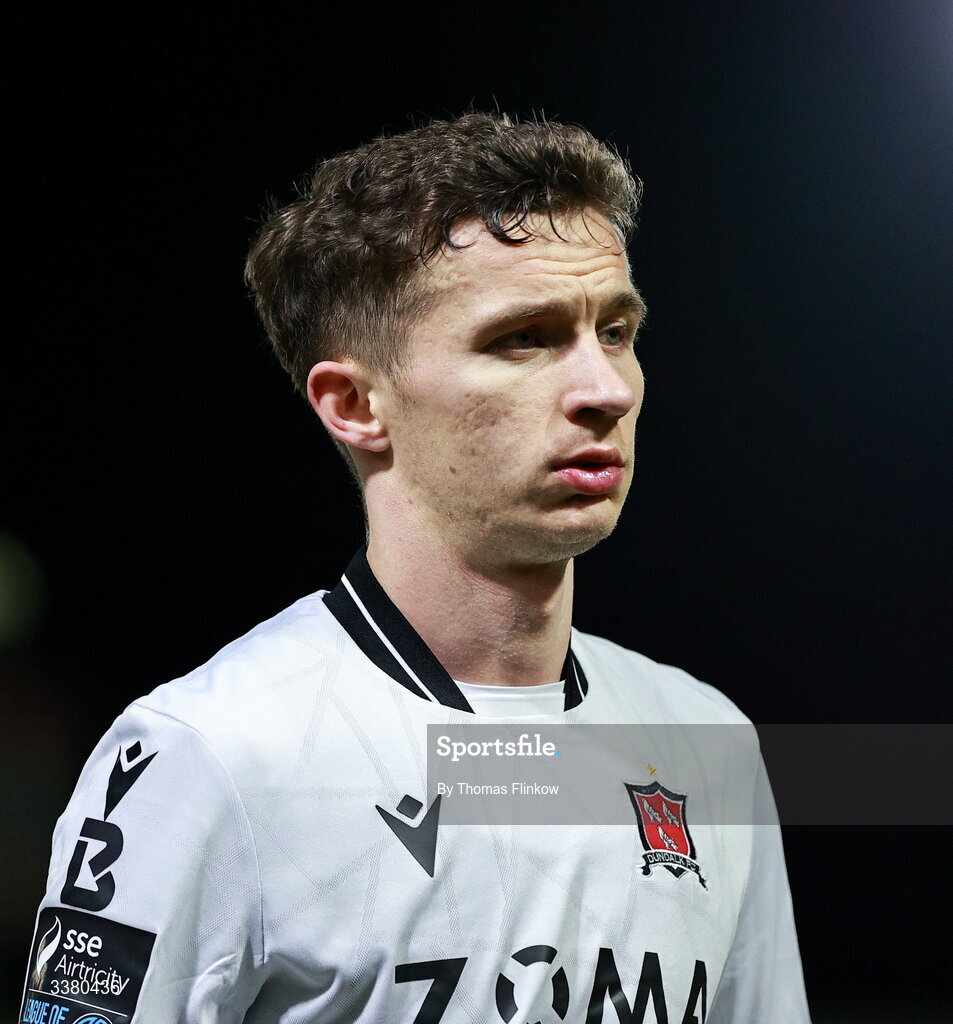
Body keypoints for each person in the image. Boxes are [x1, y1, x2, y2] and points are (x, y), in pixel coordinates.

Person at [21, 111, 811, 1023]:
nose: (605, 389)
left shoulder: (701, 739)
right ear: (355, 403)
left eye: (617, 329)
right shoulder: (206, 756)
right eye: (526, 337)